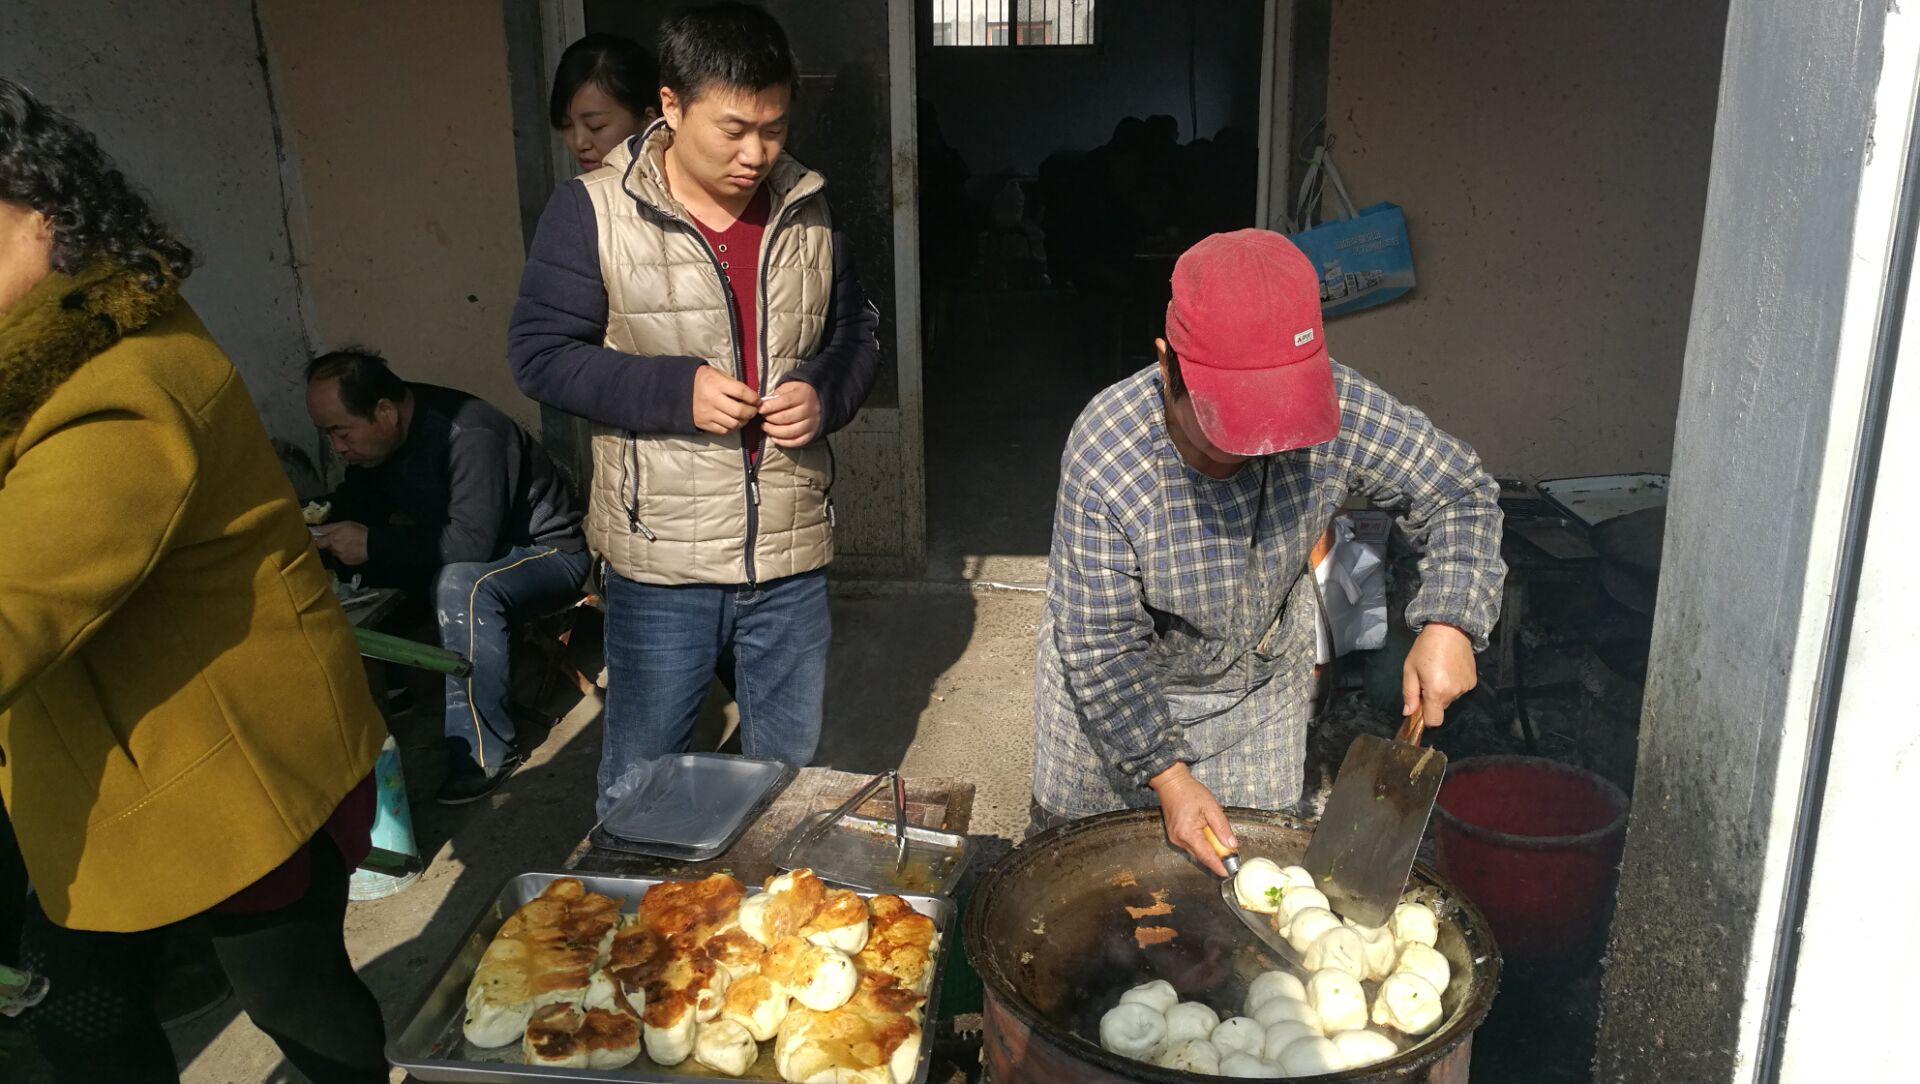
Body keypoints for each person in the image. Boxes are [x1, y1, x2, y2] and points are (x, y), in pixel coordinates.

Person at [0, 78, 387, 1082]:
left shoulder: (119, 383)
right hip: (92, 776)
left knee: (300, 1006)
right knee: (85, 1019)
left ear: (43, 216)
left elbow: (17, 601)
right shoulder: (37, 357)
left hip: (227, 775)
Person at [1031, 230, 1506, 873]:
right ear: (1168, 365)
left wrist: (1451, 619)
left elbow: (1457, 490)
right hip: (1119, 693)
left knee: (1248, 902)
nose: (1260, 445)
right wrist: (1168, 777)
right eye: (1232, 419)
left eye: (1277, 414)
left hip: (1256, 694)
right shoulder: (1108, 451)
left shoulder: (1344, 406)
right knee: (1089, 887)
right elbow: (1101, 647)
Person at [511, 2, 881, 817]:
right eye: (736, 129)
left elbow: (857, 334)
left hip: (789, 552)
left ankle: (758, 928)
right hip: (662, 560)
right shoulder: (593, 212)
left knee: (786, 774)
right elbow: (539, 355)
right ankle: (646, 929)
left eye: (776, 128)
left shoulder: (808, 207)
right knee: (645, 782)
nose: (758, 154)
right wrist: (673, 391)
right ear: (671, 107)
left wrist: (825, 394)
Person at [305, 350, 591, 804]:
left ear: (384, 412)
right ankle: (390, 691)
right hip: (471, 552)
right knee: (357, 558)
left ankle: (484, 752)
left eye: (341, 432)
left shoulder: (468, 433)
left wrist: (372, 544)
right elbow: (358, 507)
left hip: (545, 554)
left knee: (462, 584)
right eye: (328, 434)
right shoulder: (378, 444)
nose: (337, 446)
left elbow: (470, 544)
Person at [552, 32, 661, 174]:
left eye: (595, 126)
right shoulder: (577, 194)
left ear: (648, 120)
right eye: (566, 125)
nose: (579, 143)